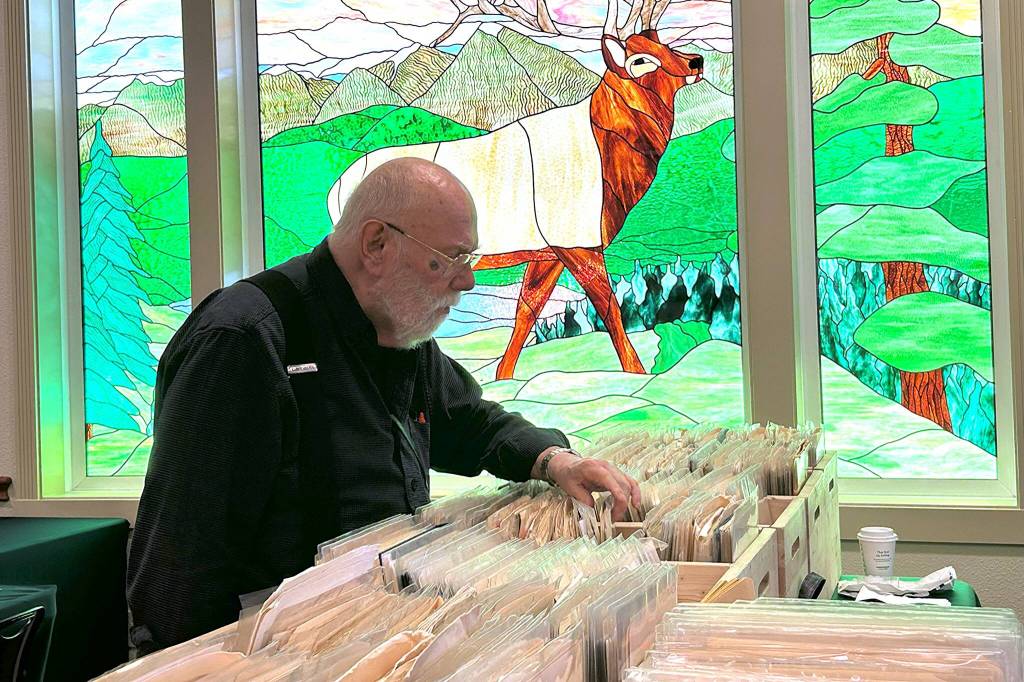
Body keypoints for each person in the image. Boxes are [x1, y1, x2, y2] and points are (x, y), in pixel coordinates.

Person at [127, 157, 642, 651]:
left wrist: (554, 461)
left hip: (377, 633)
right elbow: (178, 569)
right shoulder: (244, 338)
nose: (468, 281)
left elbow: (467, 422)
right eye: (454, 258)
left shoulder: (397, 327)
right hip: (272, 655)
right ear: (377, 243)